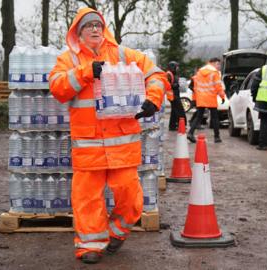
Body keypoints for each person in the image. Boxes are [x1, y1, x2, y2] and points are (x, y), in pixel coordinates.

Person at [48, 7, 169, 264]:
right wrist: (85, 72)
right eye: (88, 26)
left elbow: (156, 75)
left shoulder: (123, 55)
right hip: (88, 146)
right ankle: (90, 246)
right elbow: (58, 88)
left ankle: (116, 232)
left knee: (131, 197)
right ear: (77, 33)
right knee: (87, 199)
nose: (94, 29)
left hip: (122, 146)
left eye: (97, 25)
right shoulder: (68, 60)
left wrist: (153, 99)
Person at [187, 57, 226, 143]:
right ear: (212, 63)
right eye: (218, 64)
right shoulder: (214, 73)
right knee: (215, 117)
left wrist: (197, 96)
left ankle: (190, 133)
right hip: (211, 97)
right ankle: (217, 137)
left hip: (201, 97)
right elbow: (218, 86)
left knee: (198, 117)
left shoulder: (200, 71)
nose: (219, 66)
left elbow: (196, 85)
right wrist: (222, 96)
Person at [166, 61, 186, 131]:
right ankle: (182, 124)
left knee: (174, 111)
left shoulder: (173, 74)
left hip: (175, 94)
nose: (178, 68)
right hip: (173, 95)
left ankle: (172, 126)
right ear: (173, 67)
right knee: (180, 110)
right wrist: (175, 85)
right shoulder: (168, 74)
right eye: (177, 67)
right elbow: (166, 85)